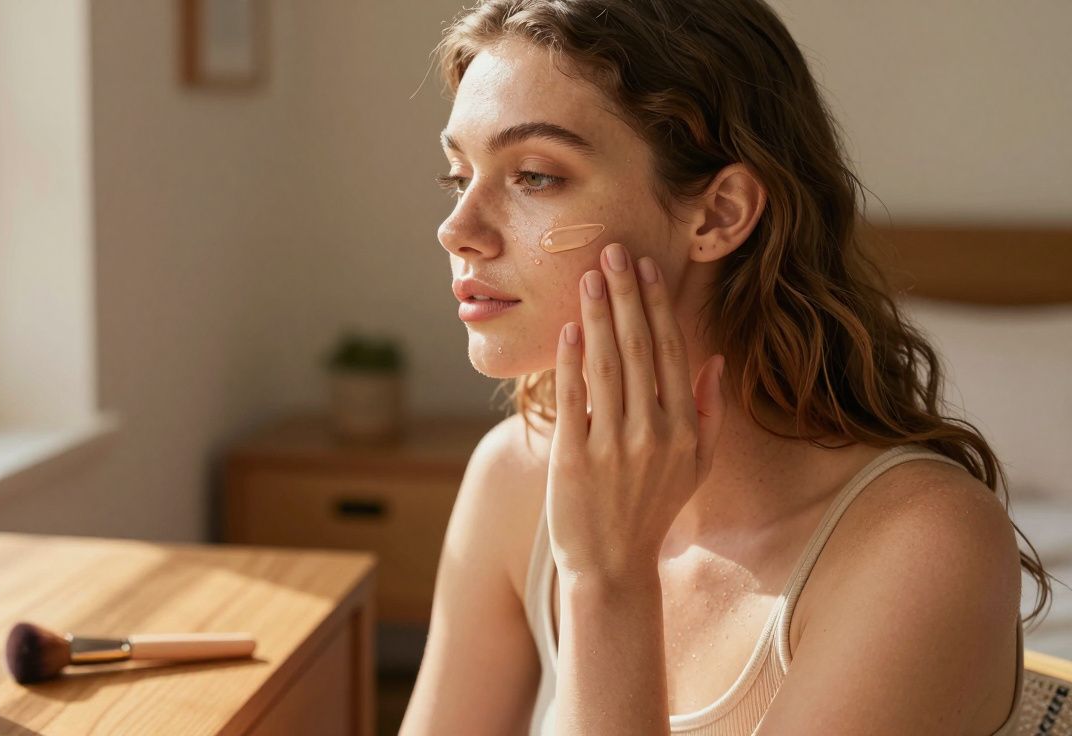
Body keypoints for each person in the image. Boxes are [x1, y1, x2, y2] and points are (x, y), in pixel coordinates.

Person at [400, 1, 1053, 733]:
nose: (457, 230)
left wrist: (606, 578)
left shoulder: (922, 546)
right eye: (459, 176)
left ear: (718, 215)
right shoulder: (515, 475)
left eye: (534, 176)